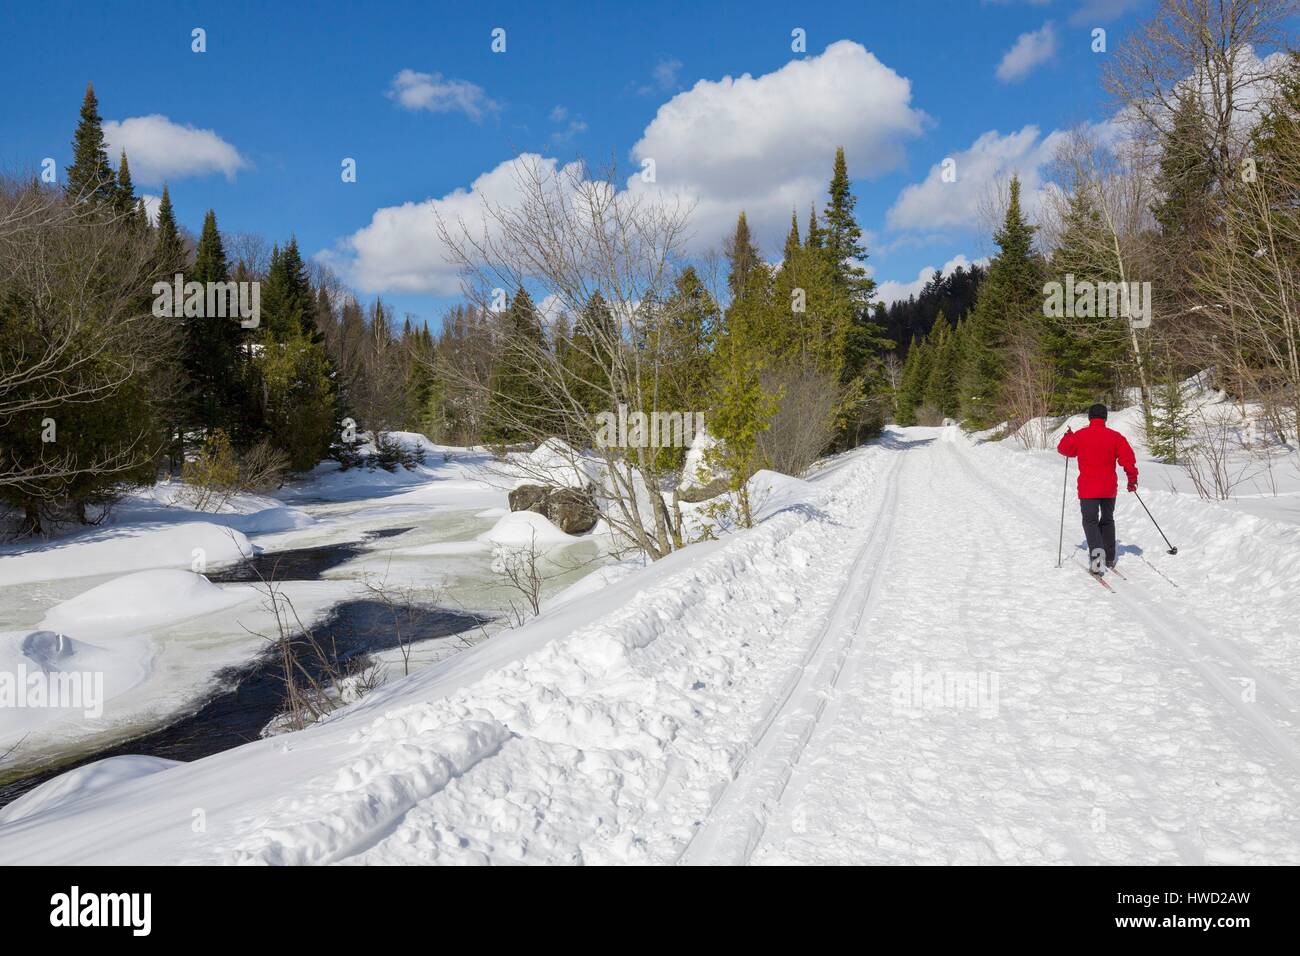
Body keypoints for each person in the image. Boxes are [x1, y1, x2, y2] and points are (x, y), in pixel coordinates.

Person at [1057, 403, 1138, 574]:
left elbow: (1064, 449)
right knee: (1107, 519)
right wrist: (1132, 479)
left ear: (1089, 417)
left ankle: (1097, 558)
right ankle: (1109, 556)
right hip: (1109, 488)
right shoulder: (1115, 437)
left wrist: (1067, 436)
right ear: (1105, 418)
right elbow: (1128, 458)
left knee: (1090, 522)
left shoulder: (1080, 436)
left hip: (1088, 489)